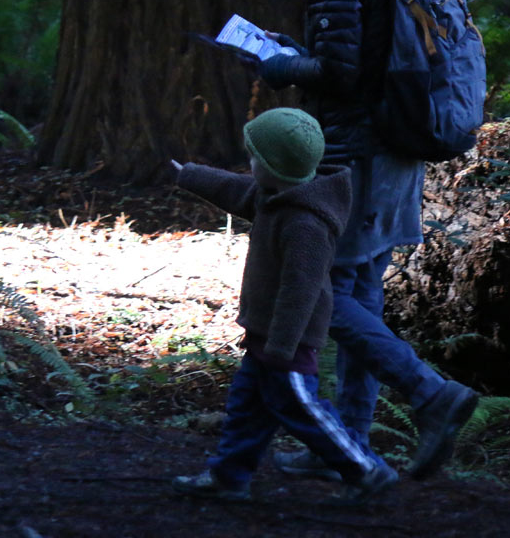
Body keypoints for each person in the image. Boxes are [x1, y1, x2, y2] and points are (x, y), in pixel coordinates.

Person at [256, 0, 479, 481]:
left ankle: (431, 394)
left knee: (319, 287)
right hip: (397, 149)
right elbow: (364, 57)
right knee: (360, 291)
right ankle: (349, 443)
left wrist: (279, 67)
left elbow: (344, 76)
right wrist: (299, 49)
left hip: (357, 154)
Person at [170, 108, 396, 505]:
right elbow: (236, 190)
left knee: (303, 409)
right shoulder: (275, 195)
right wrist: (188, 174)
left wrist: (283, 346)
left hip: (287, 341)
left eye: (255, 157)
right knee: (247, 408)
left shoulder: (305, 223)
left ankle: (366, 469)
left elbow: (301, 290)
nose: (249, 163)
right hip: (265, 336)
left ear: (275, 167)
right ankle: (229, 476)